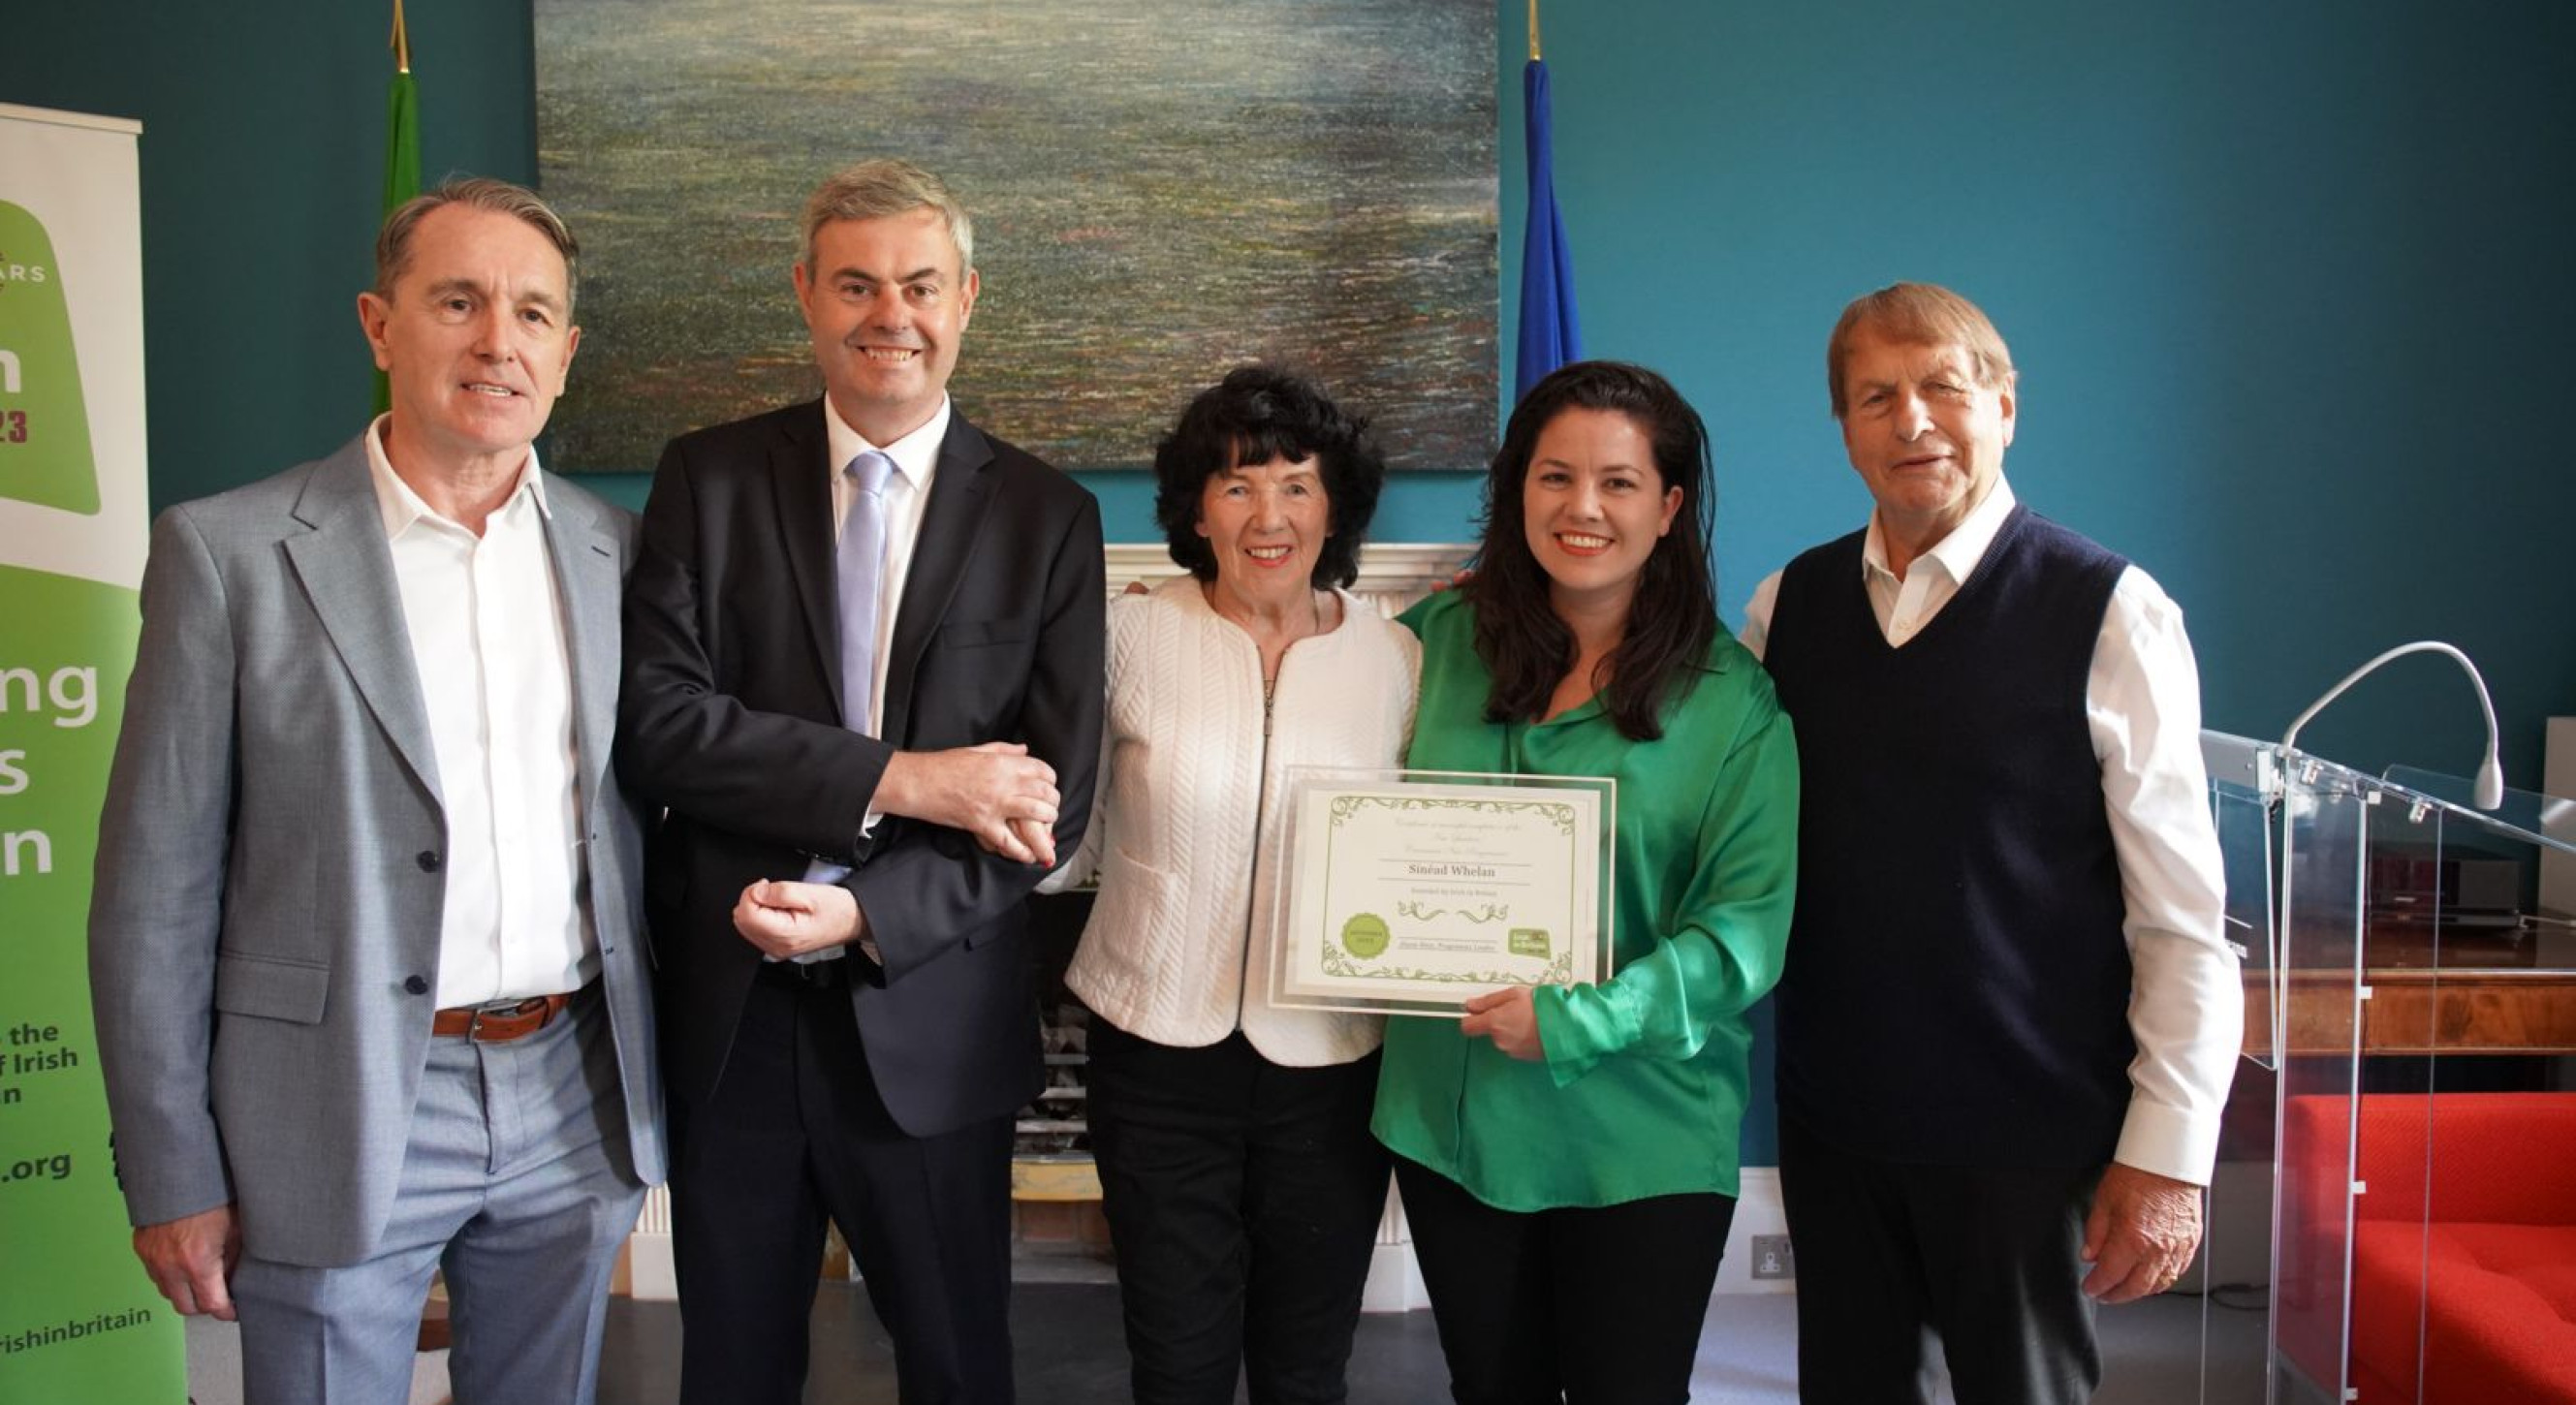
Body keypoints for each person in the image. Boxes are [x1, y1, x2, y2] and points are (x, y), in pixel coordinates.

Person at [87, 177, 663, 1403]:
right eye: (458, 301)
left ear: (565, 354)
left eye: (530, 312)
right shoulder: (231, 552)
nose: (495, 341)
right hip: (331, 1103)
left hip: (575, 1092)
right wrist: (171, 1165)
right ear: (378, 324)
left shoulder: (620, 555)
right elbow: (154, 890)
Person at [617, 157, 1106, 1405]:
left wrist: (870, 913)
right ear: (806, 294)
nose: (890, 313)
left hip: (931, 1013)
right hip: (734, 1017)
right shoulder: (706, 479)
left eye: (920, 284)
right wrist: (909, 777)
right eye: (856, 284)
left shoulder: (1047, 515)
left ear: (967, 299)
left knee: (956, 1367)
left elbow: (1053, 804)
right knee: (732, 1369)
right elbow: (664, 728)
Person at [1742, 281, 2241, 1405]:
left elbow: (2179, 915)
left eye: (1942, 388)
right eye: (1876, 397)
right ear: (1846, 430)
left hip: (2027, 1136)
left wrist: (2166, 1153)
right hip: (1836, 1120)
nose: (1911, 419)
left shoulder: (2112, 611)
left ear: (2005, 406)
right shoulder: (1787, 608)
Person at [1372, 360, 1799, 1405]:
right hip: (1451, 1115)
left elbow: (1743, 931)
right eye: (1555, 476)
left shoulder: (1735, 702)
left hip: (1640, 1130)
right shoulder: (1429, 646)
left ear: (1669, 506)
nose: (1582, 508)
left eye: (1617, 481)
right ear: (1518, 488)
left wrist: (1579, 1020)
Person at [1047, 366, 1418, 1405]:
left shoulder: (1396, 658)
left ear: (1333, 505)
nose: (1270, 514)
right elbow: (1060, 826)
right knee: (1178, 1362)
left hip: (1336, 1063)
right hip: (1156, 1052)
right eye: (1238, 484)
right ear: (1196, 509)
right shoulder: (1124, 638)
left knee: (1308, 1366)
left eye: (1297, 484)